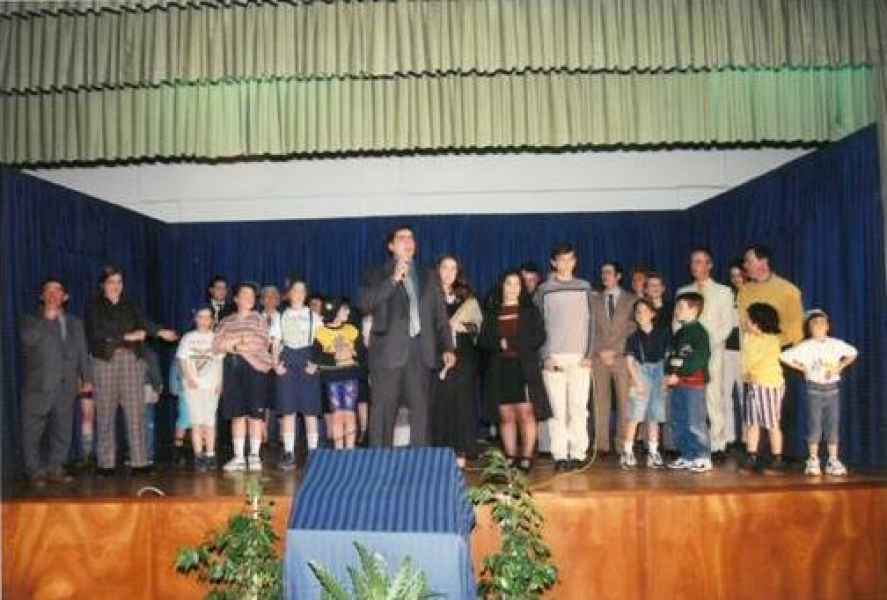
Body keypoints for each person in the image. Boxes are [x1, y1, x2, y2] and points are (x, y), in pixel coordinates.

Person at [357, 225, 456, 447]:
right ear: (391, 246)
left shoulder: (429, 276)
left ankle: (419, 464)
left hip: (421, 354)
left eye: (411, 237)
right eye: (401, 238)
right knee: (383, 415)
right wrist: (393, 280)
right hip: (387, 356)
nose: (408, 241)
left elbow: (440, 317)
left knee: (421, 415)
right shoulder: (376, 274)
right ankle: (380, 463)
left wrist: (447, 348)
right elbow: (365, 304)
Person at [85, 265, 177, 474]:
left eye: (119, 282)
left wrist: (160, 332)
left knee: (136, 412)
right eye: (111, 282)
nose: (116, 286)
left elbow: (144, 323)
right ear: (103, 285)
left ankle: (140, 461)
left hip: (131, 361)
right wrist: (128, 336)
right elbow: (97, 332)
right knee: (105, 412)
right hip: (104, 361)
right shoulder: (94, 305)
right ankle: (106, 464)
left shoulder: (130, 304)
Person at [19, 277, 93, 486]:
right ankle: (34, 471)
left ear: (65, 297)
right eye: (48, 291)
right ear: (42, 296)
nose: (53, 294)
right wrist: (47, 320)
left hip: (66, 386)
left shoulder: (75, 323)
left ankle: (55, 468)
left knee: (62, 431)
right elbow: (28, 340)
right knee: (32, 433)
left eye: (57, 290)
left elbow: (82, 351)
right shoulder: (30, 320)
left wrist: (87, 378)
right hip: (38, 386)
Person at [479, 270, 551, 472]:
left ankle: (526, 457)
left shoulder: (530, 311)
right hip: (500, 369)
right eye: (508, 283)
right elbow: (483, 340)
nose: (512, 288)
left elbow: (539, 337)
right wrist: (497, 343)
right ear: (502, 286)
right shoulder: (492, 312)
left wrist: (514, 342)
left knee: (526, 414)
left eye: (516, 284)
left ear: (521, 288)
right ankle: (510, 457)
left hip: (524, 368)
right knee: (506, 416)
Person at [534, 243, 596, 470]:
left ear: (575, 261)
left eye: (570, 259)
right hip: (554, 357)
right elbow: (537, 325)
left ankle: (578, 454)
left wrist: (589, 353)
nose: (566, 264)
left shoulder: (584, 287)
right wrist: (545, 356)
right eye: (561, 259)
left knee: (579, 409)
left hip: (580, 357)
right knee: (557, 410)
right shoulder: (544, 289)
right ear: (553, 262)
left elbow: (592, 323)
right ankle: (560, 454)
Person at [674, 248, 735, 458]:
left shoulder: (723, 292)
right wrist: (684, 346)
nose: (695, 266)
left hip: (713, 352)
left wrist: (705, 344)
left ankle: (717, 444)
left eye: (700, 262)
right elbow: (677, 323)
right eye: (693, 262)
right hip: (688, 354)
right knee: (688, 399)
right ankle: (690, 445)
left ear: (710, 265)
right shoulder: (683, 291)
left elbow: (727, 325)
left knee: (713, 397)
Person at [781, 310, 858, 476]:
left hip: (832, 389)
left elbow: (853, 353)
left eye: (822, 323)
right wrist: (803, 368)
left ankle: (833, 459)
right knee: (814, 425)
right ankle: (813, 459)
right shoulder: (806, 346)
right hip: (814, 389)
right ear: (809, 328)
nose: (819, 326)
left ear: (828, 326)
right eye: (815, 324)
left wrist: (839, 367)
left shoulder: (835, 344)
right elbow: (784, 356)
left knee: (832, 425)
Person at [212, 282, 273, 472]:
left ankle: (254, 455)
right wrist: (241, 342)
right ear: (236, 298)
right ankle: (238, 457)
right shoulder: (226, 321)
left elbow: (260, 342)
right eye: (245, 294)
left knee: (255, 415)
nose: (249, 298)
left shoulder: (259, 319)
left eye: (252, 295)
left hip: (255, 370)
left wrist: (234, 344)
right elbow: (217, 344)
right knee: (237, 414)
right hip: (232, 370)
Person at [431, 255, 483, 468]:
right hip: (437, 355)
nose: (449, 272)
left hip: (464, 356)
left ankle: (462, 448)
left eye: (453, 268)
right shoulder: (428, 296)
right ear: (437, 270)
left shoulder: (466, 298)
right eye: (445, 267)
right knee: (440, 402)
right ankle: (441, 451)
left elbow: (478, 327)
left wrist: (464, 327)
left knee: (462, 402)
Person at [271, 279, 322, 468]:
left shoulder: (314, 316)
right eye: (295, 290)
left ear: (305, 295)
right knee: (288, 410)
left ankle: (314, 453)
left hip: (307, 360)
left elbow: (322, 343)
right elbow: (275, 342)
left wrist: (315, 364)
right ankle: (289, 452)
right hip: (287, 361)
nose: (298, 294)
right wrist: (276, 364)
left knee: (310, 411)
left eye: (302, 291)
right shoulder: (280, 316)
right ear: (289, 294)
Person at [590, 261, 638, 455]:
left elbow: (633, 328)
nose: (605, 276)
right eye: (603, 272)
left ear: (618, 276)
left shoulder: (631, 300)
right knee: (600, 402)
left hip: (621, 358)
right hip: (599, 357)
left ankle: (622, 444)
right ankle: (601, 444)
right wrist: (601, 350)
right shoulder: (593, 300)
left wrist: (615, 351)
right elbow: (590, 329)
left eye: (609, 272)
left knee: (625, 402)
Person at [664, 292, 712, 473]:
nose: (676, 311)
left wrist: (681, 374)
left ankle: (702, 456)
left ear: (694, 309)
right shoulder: (679, 333)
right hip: (677, 384)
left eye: (681, 307)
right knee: (679, 420)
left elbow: (698, 359)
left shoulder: (700, 333)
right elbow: (671, 355)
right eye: (676, 307)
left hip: (693, 384)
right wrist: (669, 373)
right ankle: (687, 455)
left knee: (694, 421)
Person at [621, 299, 671, 469]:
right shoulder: (633, 338)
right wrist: (637, 381)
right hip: (641, 372)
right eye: (637, 312)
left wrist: (665, 378)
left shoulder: (663, 334)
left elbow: (667, 357)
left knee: (655, 415)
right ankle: (627, 451)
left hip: (659, 373)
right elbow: (629, 362)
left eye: (644, 310)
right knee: (635, 414)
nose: (641, 314)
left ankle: (653, 452)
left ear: (652, 314)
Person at [740, 302, 785, 475]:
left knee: (771, 423)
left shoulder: (771, 340)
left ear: (757, 322)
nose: (745, 322)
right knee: (752, 422)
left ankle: (777, 458)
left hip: (768, 385)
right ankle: (752, 455)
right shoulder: (749, 338)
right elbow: (746, 361)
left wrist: (747, 372)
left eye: (749, 319)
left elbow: (754, 360)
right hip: (754, 384)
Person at [176, 306, 224, 471]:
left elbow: (219, 361)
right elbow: (182, 359)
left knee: (210, 422)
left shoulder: (216, 337)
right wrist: (188, 378)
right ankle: (198, 455)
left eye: (207, 317)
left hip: (211, 385)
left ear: (212, 320)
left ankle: (210, 454)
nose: (204, 320)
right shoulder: (188, 338)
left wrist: (220, 382)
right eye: (201, 317)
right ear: (195, 319)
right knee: (196, 422)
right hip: (193, 386)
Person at [315, 298, 366, 449]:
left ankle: (349, 450)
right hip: (332, 378)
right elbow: (316, 356)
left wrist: (352, 353)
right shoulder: (321, 332)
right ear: (336, 311)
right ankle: (338, 450)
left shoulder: (352, 330)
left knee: (350, 413)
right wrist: (335, 357)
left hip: (350, 376)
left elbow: (362, 353)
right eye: (344, 309)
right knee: (337, 415)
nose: (348, 312)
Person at [723, 259, 747, 447]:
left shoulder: (753, 295)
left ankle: (748, 438)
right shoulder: (727, 296)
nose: (736, 278)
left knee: (745, 396)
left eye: (739, 274)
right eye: (733, 276)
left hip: (747, 353)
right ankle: (729, 437)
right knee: (725, 394)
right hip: (727, 351)